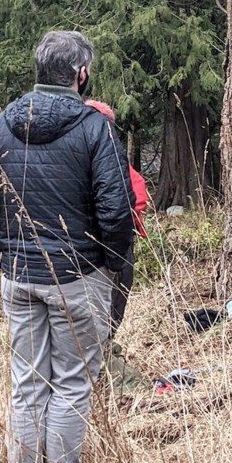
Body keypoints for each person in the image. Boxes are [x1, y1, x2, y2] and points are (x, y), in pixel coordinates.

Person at [0, 30, 135, 463]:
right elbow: (117, 212)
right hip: (77, 277)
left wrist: (3, 256)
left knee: (28, 381)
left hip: (19, 277)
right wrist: (111, 266)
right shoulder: (95, 128)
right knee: (73, 382)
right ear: (81, 75)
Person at [84, 99, 149, 337]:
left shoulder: (112, 157)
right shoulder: (87, 155)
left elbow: (138, 195)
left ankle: (106, 348)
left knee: (115, 301)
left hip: (115, 243)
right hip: (103, 247)